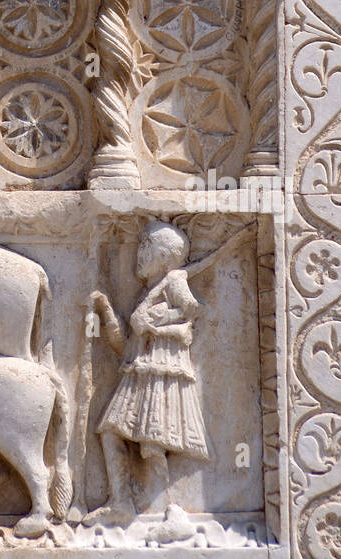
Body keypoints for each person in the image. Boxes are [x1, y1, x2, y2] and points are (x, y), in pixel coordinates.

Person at [85, 218, 249, 523]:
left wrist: (157, 322)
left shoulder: (173, 281)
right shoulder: (150, 291)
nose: (139, 255)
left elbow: (191, 311)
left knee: (151, 443)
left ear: (163, 257)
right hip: (141, 369)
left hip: (162, 369)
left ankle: (170, 512)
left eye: (145, 249)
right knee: (112, 432)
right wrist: (107, 310)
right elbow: (125, 345)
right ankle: (122, 502)